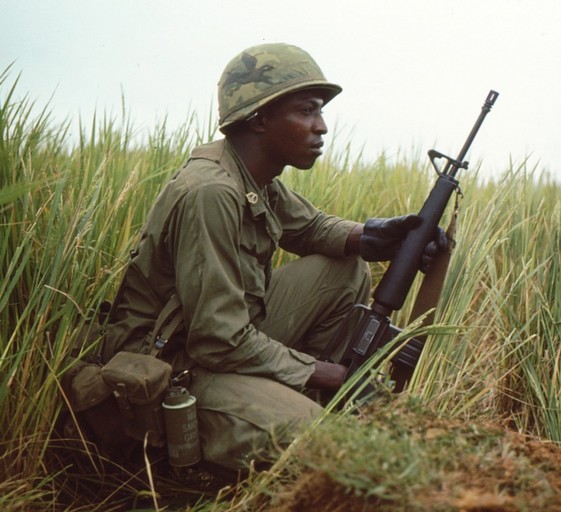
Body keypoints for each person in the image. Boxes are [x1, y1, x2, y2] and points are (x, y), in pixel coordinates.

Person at [100, 43, 445, 472]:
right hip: (176, 364)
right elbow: (217, 340)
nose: (321, 127)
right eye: (307, 111)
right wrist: (324, 373)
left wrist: (382, 236)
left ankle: (292, 396)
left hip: (220, 338)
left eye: (319, 113)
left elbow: (313, 229)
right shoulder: (213, 192)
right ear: (260, 118)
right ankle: (295, 413)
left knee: (343, 268)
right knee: (326, 445)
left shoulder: (252, 174)